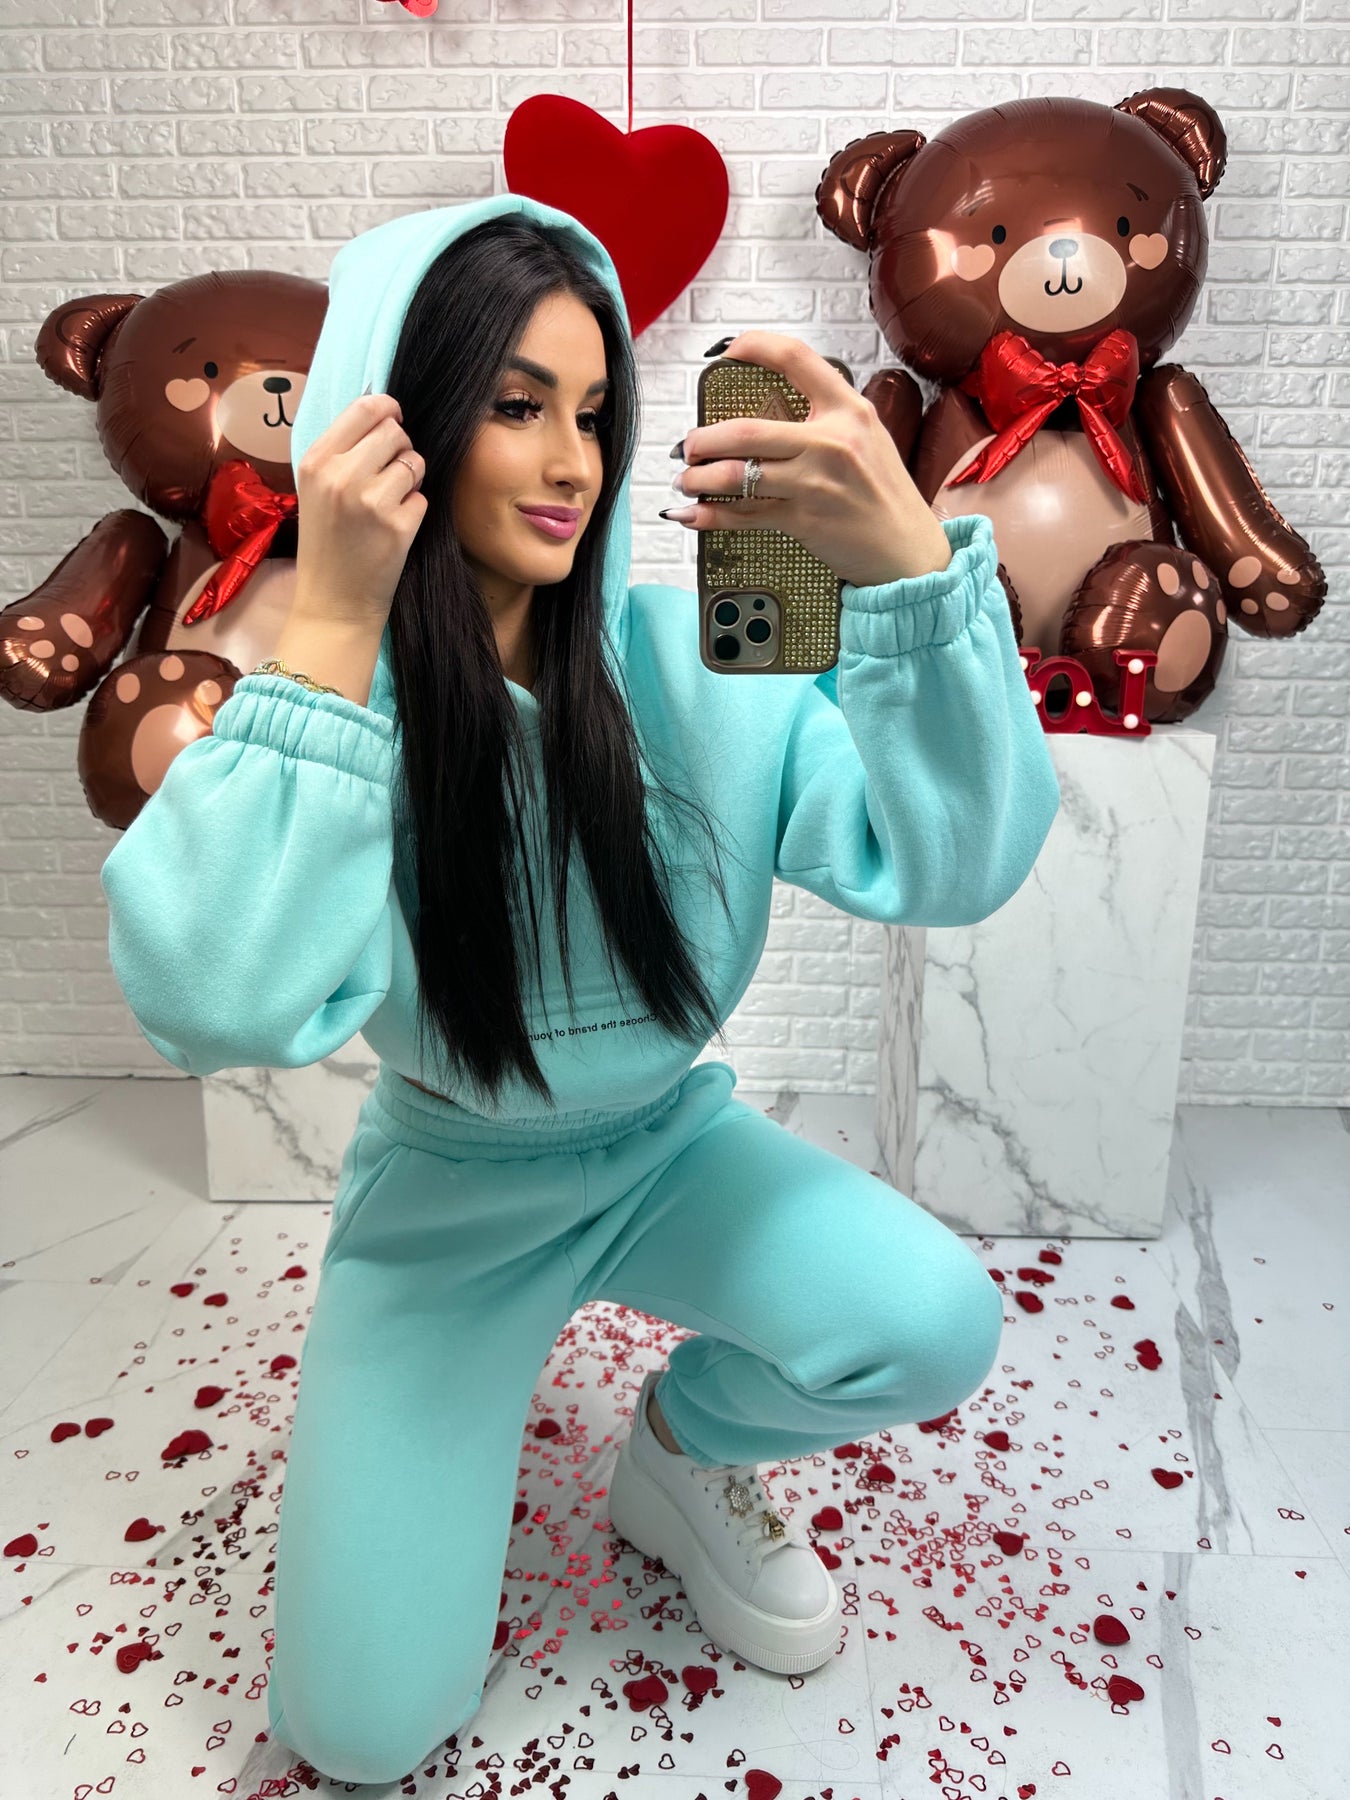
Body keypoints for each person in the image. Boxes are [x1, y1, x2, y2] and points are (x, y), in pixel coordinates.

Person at [99, 194, 1061, 1784]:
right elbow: (217, 1002)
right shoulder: (329, 706)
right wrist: (331, 615)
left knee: (930, 1323)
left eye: (597, 413)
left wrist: (907, 581)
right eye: (515, 406)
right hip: (449, 1199)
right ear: (393, 422)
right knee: (360, 1733)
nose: (572, 465)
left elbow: (945, 862)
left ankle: (682, 1451)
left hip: (668, 1153)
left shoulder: (704, 655)